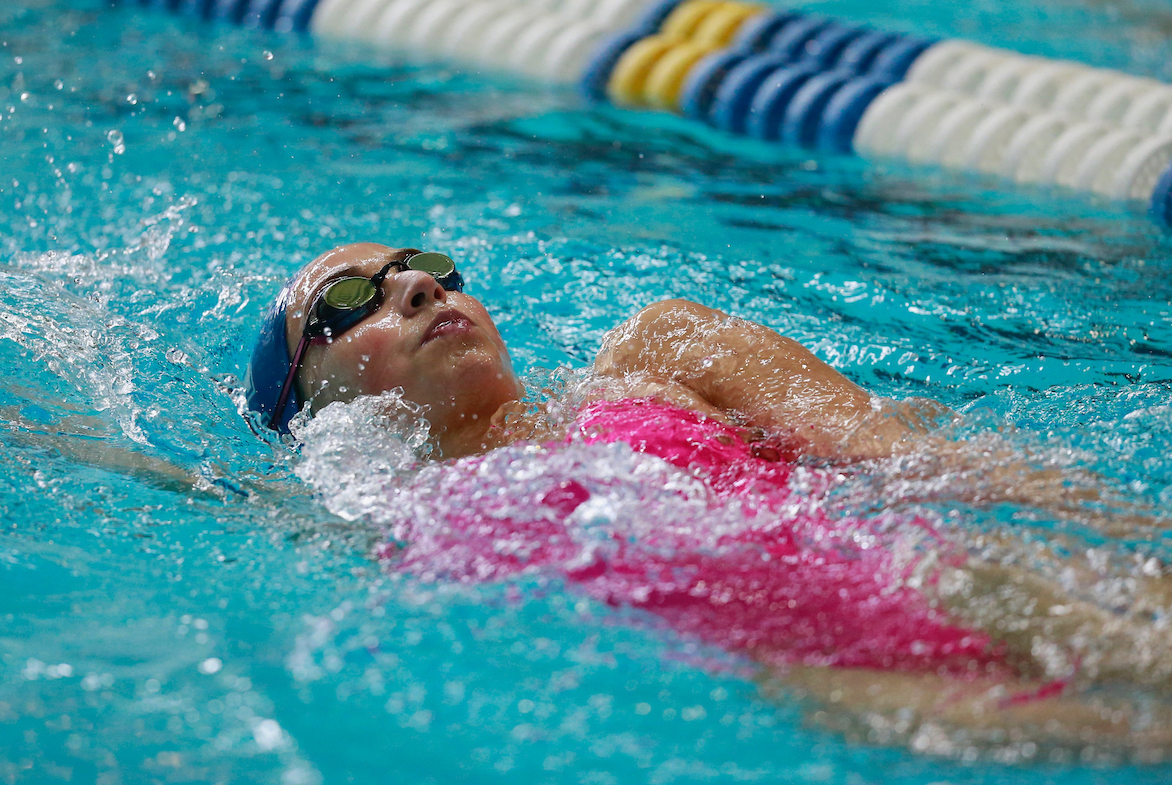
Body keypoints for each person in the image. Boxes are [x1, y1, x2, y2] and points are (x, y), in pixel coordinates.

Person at [247, 242, 1172, 758]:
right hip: (846, 697)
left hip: (970, 588)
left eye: (434, 270)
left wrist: (1138, 540)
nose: (417, 286)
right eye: (350, 301)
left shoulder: (657, 358)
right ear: (307, 402)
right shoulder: (369, 520)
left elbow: (933, 465)